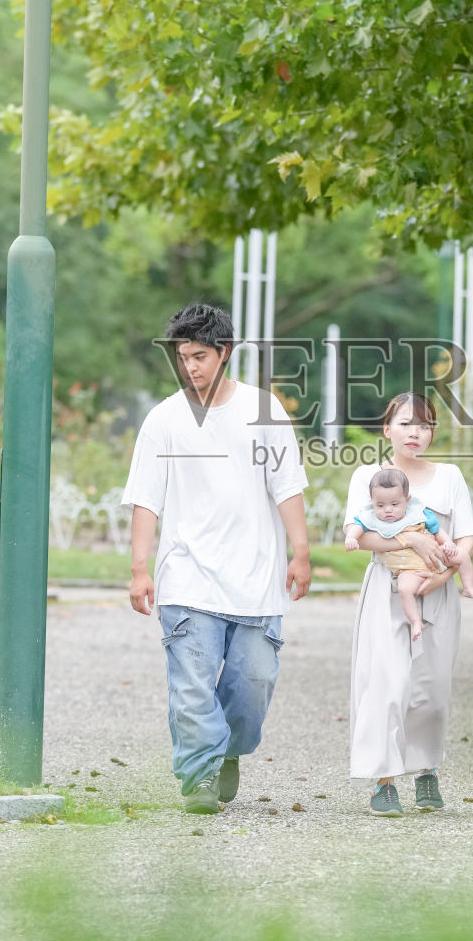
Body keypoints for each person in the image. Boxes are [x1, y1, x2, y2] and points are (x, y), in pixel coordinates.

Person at [121, 303, 312, 815]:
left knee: (253, 683)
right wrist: (140, 568)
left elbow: (287, 487)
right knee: (191, 686)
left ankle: (227, 749)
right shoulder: (164, 419)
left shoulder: (263, 410)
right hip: (187, 578)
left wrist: (302, 552)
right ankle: (199, 773)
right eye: (183, 357)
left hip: (256, 578)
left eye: (200, 355)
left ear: (224, 353)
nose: (191, 367)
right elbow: (146, 499)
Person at [346, 392, 473, 817]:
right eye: (405, 424)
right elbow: (358, 535)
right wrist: (412, 538)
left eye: (423, 425)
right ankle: (383, 782)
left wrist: (445, 574)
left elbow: (466, 535)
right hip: (386, 591)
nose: (415, 433)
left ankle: (426, 770)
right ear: (387, 430)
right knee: (385, 685)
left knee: (431, 689)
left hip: (438, 594)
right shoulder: (368, 475)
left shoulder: (450, 477)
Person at [344, 467, 473, 641]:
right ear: (372, 502)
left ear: (407, 500)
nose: (388, 510)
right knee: (405, 589)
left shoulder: (418, 512)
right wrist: (351, 538)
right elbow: (356, 528)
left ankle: (468, 587)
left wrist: (447, 543)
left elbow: (437, 530)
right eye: (380, 505)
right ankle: (416, 620)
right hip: (408, 569)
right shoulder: (370, 516)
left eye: (395, 504)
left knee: (462, 555)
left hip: (435, 556)